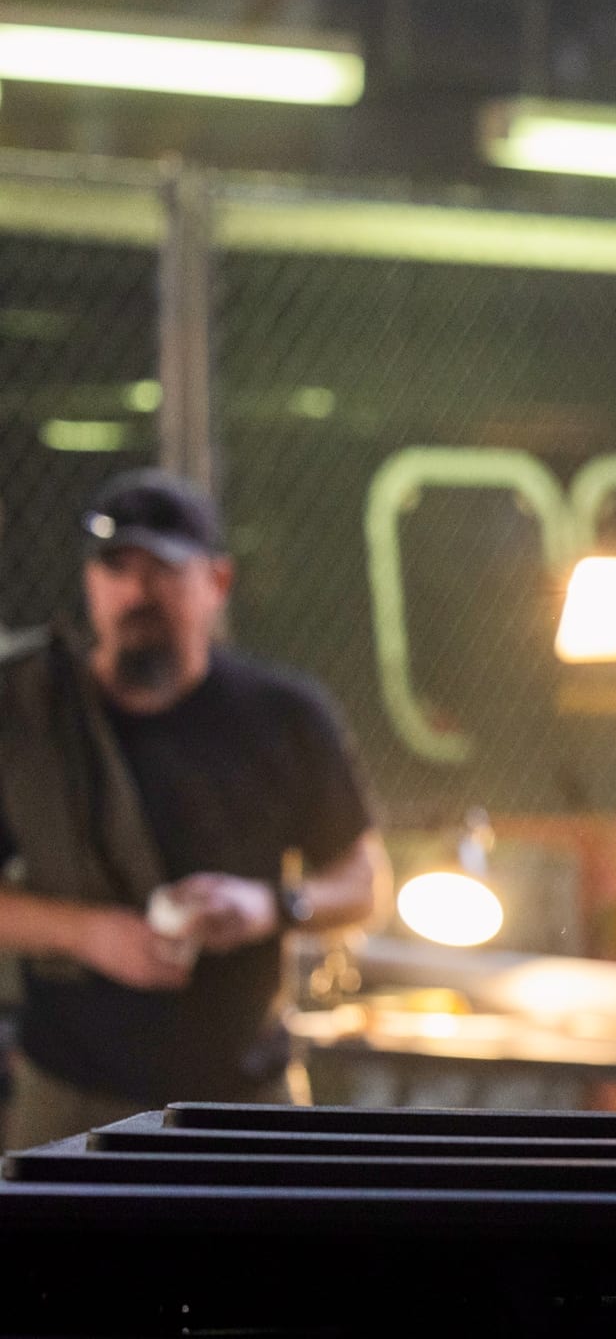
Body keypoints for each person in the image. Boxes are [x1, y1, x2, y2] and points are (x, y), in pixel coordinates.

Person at [0, 470, 386, 1149]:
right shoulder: (30, 716)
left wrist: (270, 906)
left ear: (218, 581)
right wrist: (90, 934)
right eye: (116, 567)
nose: (137, 591)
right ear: (90, 580)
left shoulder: (284, 716)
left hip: (243, 1094)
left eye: (164, 569)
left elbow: (365, 881)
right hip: (68, 1093)